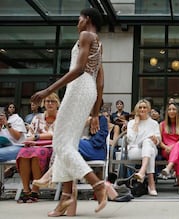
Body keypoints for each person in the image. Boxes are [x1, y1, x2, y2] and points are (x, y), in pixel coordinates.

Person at [30, 8, 112, 216]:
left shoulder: (85, 36)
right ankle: (66, 198)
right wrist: (94, 113)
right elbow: (100, 81)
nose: (77, 23)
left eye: (79, 19)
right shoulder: (99, 42)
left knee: (59, 142)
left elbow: (78, 69)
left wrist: (48, 90)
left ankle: (97, 184)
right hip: (89, 90)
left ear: (88, 19)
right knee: (69, 143)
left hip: (79, 87)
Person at [16, 93, 59, 203]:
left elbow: (56, 134)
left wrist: (36, 137)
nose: (49, 103)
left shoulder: (61, 117)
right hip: (34, 145)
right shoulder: (37, 117)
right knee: (23, 153)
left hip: (52, 146)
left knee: (38, 153)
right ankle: (26, 191)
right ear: (44, 104)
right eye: (47, 101)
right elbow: (30, 133)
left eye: (52, 101)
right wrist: (31, 139)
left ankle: (35, 190)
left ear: (57, 104)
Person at [127, 99, 160, 196]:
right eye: (140, 107)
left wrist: (155, 140)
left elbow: (158, 141)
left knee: (148, 143)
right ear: (137, 109)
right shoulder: (132, 123)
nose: (142, 109)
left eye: (144, 107)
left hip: (150, 148)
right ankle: (151, 183)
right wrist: (136, 124)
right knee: (150, 150)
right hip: (135, 150)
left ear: (148, 109)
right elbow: (130, 140)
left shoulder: (154, 123)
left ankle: (142, 171)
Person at [159, 103, 179, 195]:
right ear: (167, 112)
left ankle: (168, 167)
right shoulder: (162, 124)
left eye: (174, 109)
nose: (172, 111)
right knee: (178, 155)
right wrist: (166, 147)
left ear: (178, 111)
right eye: (169, 109)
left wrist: (172, 146)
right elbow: (159, 141)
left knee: (178, 148)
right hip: (166, 150)